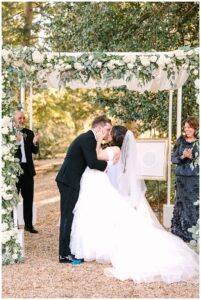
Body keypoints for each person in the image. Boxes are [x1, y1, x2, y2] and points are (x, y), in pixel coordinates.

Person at [70, 125, 199, 283]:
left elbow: (95, 156)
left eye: (111, 132)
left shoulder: (115, 149)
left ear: (117, 137)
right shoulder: (119, 150)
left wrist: (97, 140)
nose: (108, 134)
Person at [56, 115, 116, 264]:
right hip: (68, 181)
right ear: (99, 128)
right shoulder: (88, 138)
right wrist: (110, 166)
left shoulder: (91, 139)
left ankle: (66, 250)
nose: (108, 133)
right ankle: (63, 254)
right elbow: (92, 163)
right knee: (67, 216)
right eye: (107, 129)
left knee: (69, 215)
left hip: (71, 180)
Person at [171, 116, 199, 242]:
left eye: (190, 127)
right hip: (181, 178)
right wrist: (183, 156)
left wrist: (192, 156)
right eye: (186, 127)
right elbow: (173, 159)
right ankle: (180, 232)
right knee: (181, 204)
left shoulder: (198, 142)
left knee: (192, 204)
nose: (187, 129)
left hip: (194, 179)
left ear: (195, 128)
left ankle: (193, 234)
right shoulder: (180, 141)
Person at [14, 111, 40, 234]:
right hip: (14, 171)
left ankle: (28, 225)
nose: (22, 120)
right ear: (14, 119)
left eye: (24, 118)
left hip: (28, 170)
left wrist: (35, 142)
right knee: (13, 199)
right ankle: (13, 225)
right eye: (20, 118)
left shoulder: (29, 133)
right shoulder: (8, 133)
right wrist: (18, 142)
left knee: (28, 199)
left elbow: (34, 152)